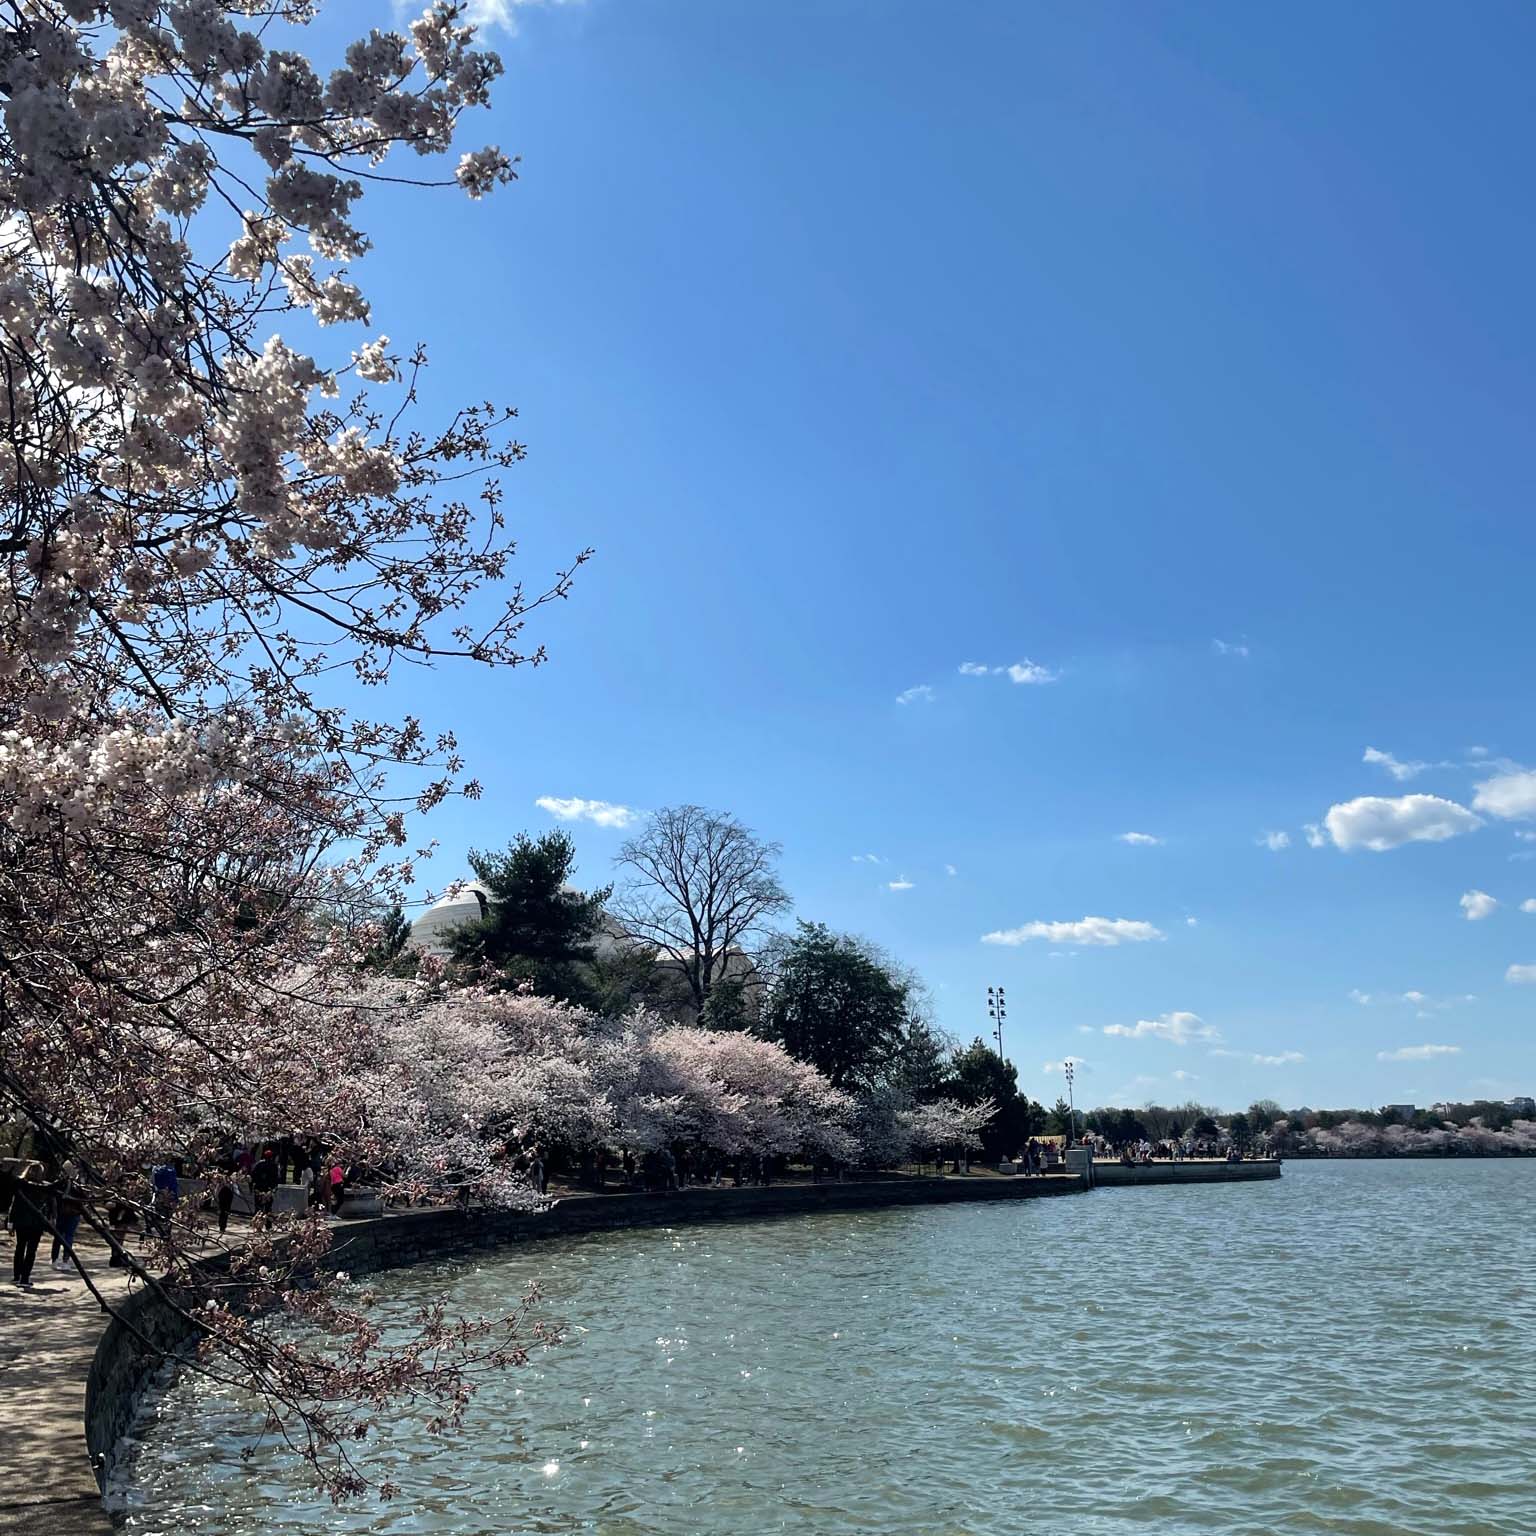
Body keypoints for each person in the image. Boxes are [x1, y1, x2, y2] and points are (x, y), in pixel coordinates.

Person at [11, 1164, 52, 1288]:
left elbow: (15, 1204)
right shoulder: (42, 1187)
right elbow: (47, 1206)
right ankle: (24, 1277)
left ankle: (17, 1275)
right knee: (31, 1251)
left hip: (21, 1221)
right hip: (35, 1223)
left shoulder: (21, 1185)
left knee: (20, 1248)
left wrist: (11, 1221)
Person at [50, 1173, 84, 1271]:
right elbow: (83, 1198)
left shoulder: (60, 1184)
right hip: (73, 1213)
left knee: (58, 1236)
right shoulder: (77, 1185)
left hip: (62, 1213)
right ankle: (65, 1260)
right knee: (68, 1236)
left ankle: (55, 1259)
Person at [251, 1146, 281, 1221]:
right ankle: (268, 1225)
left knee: (258, 1207)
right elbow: (276, 1179)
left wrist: (252, 1186)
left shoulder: (259, 1164)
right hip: (268, 1189)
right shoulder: (274, 1166)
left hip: (259, 1187)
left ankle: (257, 1223)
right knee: (268, 1208)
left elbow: (253, 1175)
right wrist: (274, 1188)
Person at [215, 1169, 236, 1235]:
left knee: (226, 1211)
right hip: (222, 1196)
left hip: (228, 1196)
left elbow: (234, 1187)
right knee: (222, 1211)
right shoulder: (221, 1180)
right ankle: (221, 1226)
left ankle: (223, 1226)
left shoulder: (231, 1181)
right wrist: (216, 1196)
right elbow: (217, 1188)